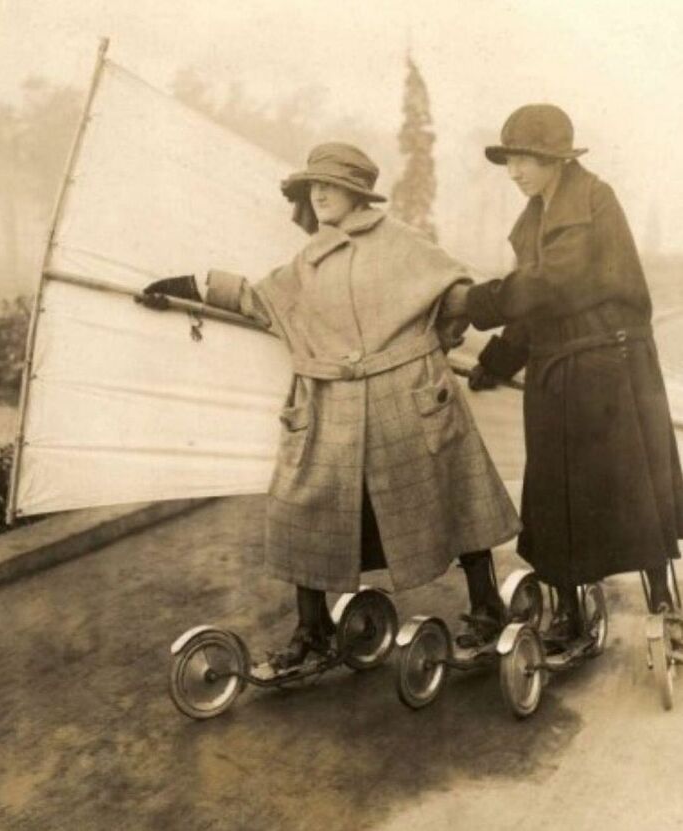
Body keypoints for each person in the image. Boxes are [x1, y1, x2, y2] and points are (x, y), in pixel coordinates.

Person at [142, 142, 520, 666]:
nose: (317, 194)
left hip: (407, 400)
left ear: (356, 192)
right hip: (328, 406)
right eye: (310, 186)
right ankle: (312, 631)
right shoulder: (308, 260)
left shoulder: (404, 245)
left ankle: (487, 609)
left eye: (329, 185)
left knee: (451, 495)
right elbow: (257, 299)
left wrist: (433, 347)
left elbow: (455, 297)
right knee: (307, 511)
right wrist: (187, 286)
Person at [451, 104, 683, 640]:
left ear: (556, 158)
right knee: (554, 498)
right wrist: (498, 361)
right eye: (510, 160)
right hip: (560, 373)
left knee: (632, 492)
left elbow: (553, 283)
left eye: (526, 159)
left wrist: (474, 301)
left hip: (611, 367)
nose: (515, 172)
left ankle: (665, 603)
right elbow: (539, 307)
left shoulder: (592, 201)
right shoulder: (537, 214)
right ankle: (569, 611)